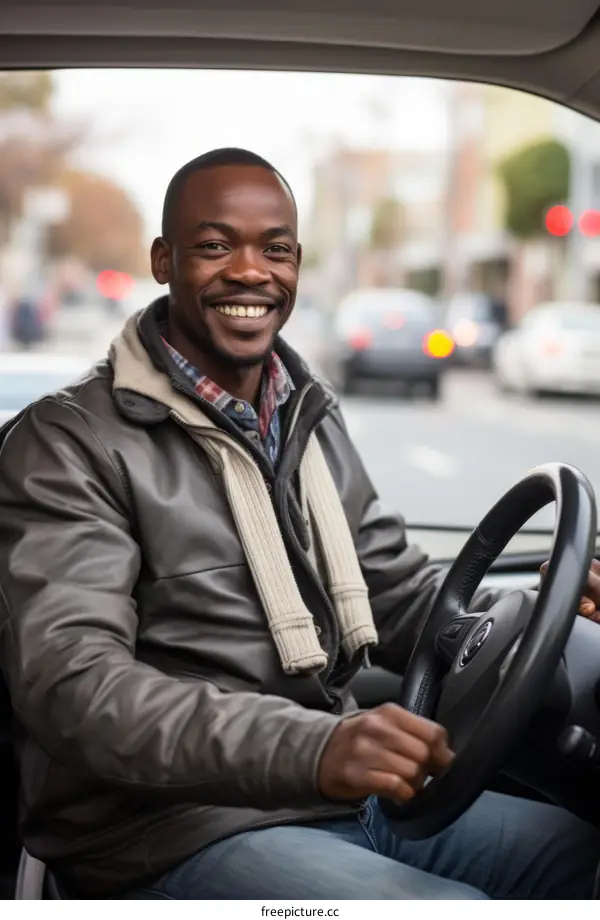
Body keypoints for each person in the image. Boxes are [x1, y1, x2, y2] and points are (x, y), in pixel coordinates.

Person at [0, 148, 599, 901]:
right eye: (215, 246)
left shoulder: (303, 412)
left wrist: (541, 612)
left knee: (582, 858)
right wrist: (316, 746)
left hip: (337, 800)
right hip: (165, 831)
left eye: (274, 249)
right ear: (163, 259)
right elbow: (76, 690)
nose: (250, 272)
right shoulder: (68, 443)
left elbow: (405, 597)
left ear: (297, 263)